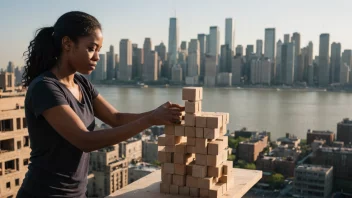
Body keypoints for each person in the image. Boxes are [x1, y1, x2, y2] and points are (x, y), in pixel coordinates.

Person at [17, 11, 184, 198]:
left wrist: (159, 114)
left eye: (99, 50)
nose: (97, 57)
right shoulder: (45, 87)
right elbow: (85, 140)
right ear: (67, 44)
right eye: (91, 48)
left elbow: (116, 118)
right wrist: (150, 120)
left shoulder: (82, 83)